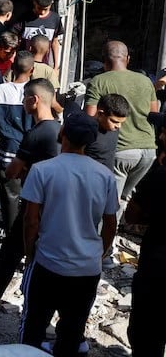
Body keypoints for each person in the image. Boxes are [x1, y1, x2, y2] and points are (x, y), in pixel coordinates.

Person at [19, 112, 118, 356]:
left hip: (49, 262)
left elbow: (31, 221)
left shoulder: (42, 170)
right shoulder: (105, 176)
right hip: (86, 268)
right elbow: (110, 223)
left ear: (62, 134)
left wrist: (30, 252)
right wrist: (99, 253)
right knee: (72, 333)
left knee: (33, 328)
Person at [0, 78, 60, 310]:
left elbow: (11, 171)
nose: (22, 102)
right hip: (56, 202)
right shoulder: (60, 129)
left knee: (12, 250)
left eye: (24, 98)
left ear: (34, 100)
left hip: (35, 201)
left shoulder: (35, 134)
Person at [84, 41, 158, 213]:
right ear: (128, 59)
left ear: (104, 61)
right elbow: (154, 115)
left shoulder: (99, 81)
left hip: (120, 151)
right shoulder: (146, 81)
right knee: (123, 198)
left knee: (109, 203)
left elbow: (89, 118)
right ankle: (113, 234)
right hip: (148, 151)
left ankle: (105, 239)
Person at [123, 112, 166, 357]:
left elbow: (132, 216)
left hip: (158, 270)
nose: (159, 135)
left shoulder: (159, 176)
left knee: (147, 335)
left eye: (163, 132)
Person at [0, 51, 35, 229]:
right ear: (32, 70)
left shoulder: (1, 89)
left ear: (12, 68)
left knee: (10, 195)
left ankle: (10, 231)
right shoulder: (35, 91)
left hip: (7, 150)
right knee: (32, 195)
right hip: (30, 151)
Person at [13, 0, 63, 71]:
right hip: (23, 65)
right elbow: (15, 40)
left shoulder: (55, 19)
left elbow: (55, 42)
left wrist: (56, 66)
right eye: (39, 8)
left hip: (43, 67)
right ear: (34, 2)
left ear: (51, 3)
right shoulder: (24, 17)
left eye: (45, 9)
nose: (42, 12)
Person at [86, 94, 128, 171]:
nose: (118, 126)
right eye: (114, 121)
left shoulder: (112, 129)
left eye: (121, 123)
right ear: (100, 114)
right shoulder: (87, 131)